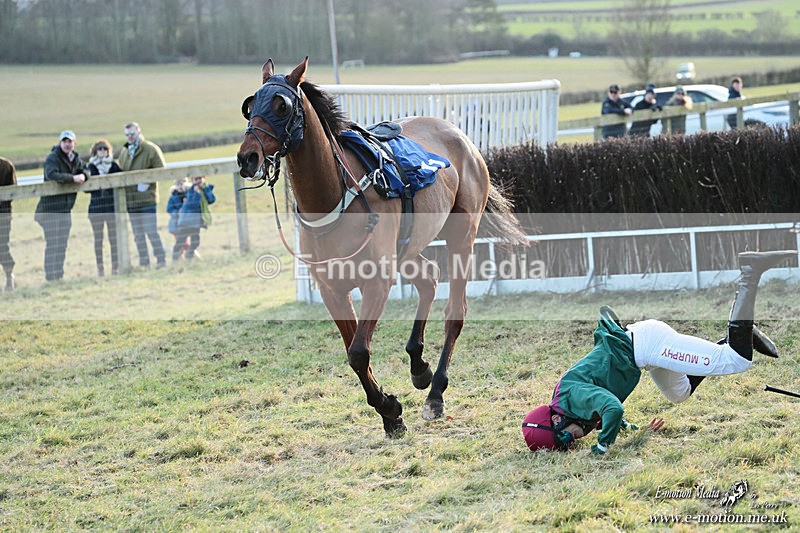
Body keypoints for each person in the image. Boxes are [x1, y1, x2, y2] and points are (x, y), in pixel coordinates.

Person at [522, 250, 796, 455]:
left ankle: (750, 273)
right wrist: (636, 430)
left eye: (566, 440)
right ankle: (737, 337)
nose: (574, 441)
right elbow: (606, 412)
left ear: (556, 419)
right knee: (678, 393)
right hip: (645, 355)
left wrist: (602, 448)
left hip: (649, 344)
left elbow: (612, 408)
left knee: (737, 361)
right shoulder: (569, 404)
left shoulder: (571, 395)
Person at [34, 131, 89, 282]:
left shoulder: (75, 159)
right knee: (53, 244)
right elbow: (52, 175)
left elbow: (87, 169)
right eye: (64, 141)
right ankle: (51, 277)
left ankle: (59, 275)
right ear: (60, 143)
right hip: (50, 209)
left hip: (65, 209)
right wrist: (73, 178)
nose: (67, 144)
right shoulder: (52, 158)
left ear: (74, 143)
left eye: (69, 141)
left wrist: (84, 175)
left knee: (62, 244)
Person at [118, 122, 167, 269]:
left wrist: (147, 182)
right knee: (138, 234)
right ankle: (144, 262)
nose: (130, 137)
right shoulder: (124, 153)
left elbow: (161, 170)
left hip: (147, 199)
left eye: (132, 133)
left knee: (151, 231)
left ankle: (161, 259)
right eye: (127, 135)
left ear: (139, 132)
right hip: (131, 200)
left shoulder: (150, 149)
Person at [87, 139, 122, 277]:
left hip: (111, 207)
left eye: (105, 149)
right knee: (98, 239)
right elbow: (87, 188)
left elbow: (121, 178)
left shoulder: (113, 165)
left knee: (113, 238)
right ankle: (100, 267)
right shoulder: (91, 167)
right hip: (96, 208)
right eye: (100, 149)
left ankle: (115, 266)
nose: (102, 152)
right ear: (95, 151)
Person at [173, 175, 215, 261]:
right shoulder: (190, 190)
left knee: (195, 241)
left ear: (204, 178)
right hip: (186, 220)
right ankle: (175, 258)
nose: (198, 181)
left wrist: (206, 189)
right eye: (196, 179)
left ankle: (189, 256)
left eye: (200, 178)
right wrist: (196, 193)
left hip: (196, 222)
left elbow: (211, 199)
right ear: (192, 181)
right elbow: (191, 204)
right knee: (180, 241)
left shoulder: (204, 189)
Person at [0, 156, 16, 291]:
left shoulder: (6, 166)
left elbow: (12, 191)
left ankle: (9, 275)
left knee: (2, 247)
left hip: (3, 215)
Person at [167, 178, 189, 259]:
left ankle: (181, 259)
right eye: (178, 184)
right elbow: (169, 209)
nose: (180, 186)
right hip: (176, 225)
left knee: (183, 242)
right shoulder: (173, 197)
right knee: (182, 243)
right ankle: (178, 259)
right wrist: (177, 212)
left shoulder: (189, 195)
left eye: (182, 183)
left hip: (186, 224)